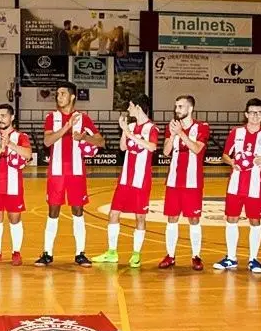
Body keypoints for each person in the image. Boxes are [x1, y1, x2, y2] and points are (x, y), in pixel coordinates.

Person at [35, 81, 104, 267]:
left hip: (76, 172)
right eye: (57, 94)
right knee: (53, 211)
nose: (59, 97)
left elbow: (101, 142)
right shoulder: (52, 117)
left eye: (63, 93)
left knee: (78, 211)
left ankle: (80, 253)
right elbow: (47, 142)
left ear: (72, 96)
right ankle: (47, 253)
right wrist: (67, 127)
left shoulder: (84, 118)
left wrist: (84, 137)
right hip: (56, 171)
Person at [214, 98, 261, 274]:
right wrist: (232, 162)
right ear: (246, 114)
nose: (255, 116)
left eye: (258, 113)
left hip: (255, 186)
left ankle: (253, 259)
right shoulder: (236, 133)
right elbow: (225, 155)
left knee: (255, 221)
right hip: (235, 184)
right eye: (251, 112)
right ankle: (231, 258)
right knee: (231, 219)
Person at [93, 94, 158, 267]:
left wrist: (130, 134)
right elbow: (123, 147)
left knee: (140, 217)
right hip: (125, 180)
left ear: (138, 107)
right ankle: (112, 252)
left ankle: (136, 254)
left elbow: (152, 147)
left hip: (141, 180)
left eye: (130, 106)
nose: (128, 109)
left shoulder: (152, 128)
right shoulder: (130, 126)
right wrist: (124, 130)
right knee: (113, 213)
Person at [158, 95, 208, 271]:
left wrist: (180, 133)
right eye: (176, 106)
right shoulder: (171, 127)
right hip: (173, 180)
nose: (177, 109)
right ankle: (170, 255)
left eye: (180, 106)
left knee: (194, 219)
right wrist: (172, 135)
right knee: (172, 218)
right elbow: (166, 152)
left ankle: (196, 256)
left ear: (190, 108)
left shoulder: (201, 127)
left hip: (193, 181)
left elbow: (197, 149)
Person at [0, 104, 31, 266]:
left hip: (14, 185)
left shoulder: (21, 136)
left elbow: (28, 154)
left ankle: (16, 252)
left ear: (12, 117)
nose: (0, 119)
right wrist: (1, 148)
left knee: (14, 219)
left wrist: (10, 144)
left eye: (3, 116)